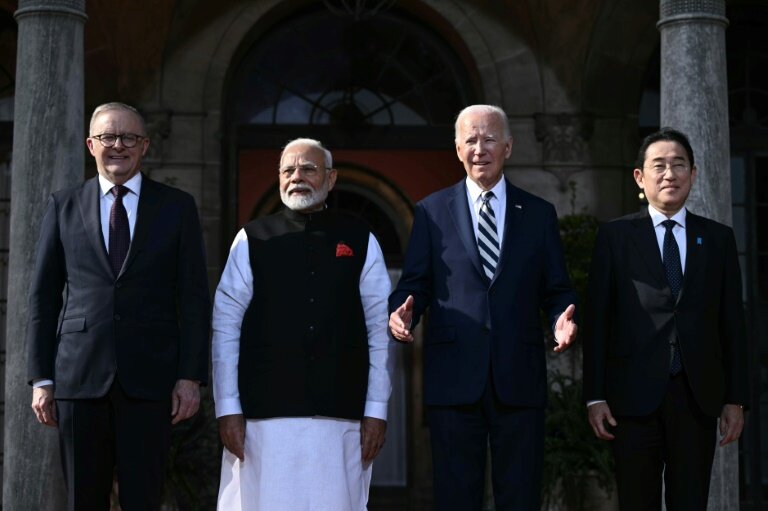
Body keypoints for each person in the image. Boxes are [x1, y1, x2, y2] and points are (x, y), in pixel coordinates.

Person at [389, 104, 578, 510]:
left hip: (519, 377)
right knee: (457, 498)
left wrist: (561, 316)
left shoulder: (540, 214)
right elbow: (414, 284)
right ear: (457, 149)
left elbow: (557, 288)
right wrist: (402, 312)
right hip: (454, 379)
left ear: (508, 146)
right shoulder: (431, 212)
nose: (480, 148)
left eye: (489, 138)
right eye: (471, 140)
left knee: (520, 496)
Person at [27, 102, 211, 510]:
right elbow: (42, 296)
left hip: (151, 381)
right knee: (82, 500)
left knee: (144, 500)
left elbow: (195, 298)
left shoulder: (177, 207)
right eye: (108, 137)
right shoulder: (63, 205)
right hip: (79, 379)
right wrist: (41, 378)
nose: (118, 146)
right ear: (90, 144)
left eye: (129, 137)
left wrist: (190, 377)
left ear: (144, 146)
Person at [212, 138, 392, 511]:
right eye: (288, 170)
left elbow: (378, 330)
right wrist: (227, 407)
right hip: (264, 420)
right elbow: (225, 326)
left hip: (340, 419)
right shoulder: (251, 239)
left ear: (331, 178)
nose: (298, 177)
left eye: (308, 168)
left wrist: (376, 410)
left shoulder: (360, 239)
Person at [582, 127, 749, 510]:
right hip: (632, 397)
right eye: (659, 165)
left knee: (690, 502)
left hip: (697, 397)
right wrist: (595, 395)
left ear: (693, 173)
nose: (669, 174)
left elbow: (732, 323)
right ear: (640, 176)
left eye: (679, 165)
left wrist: (736, 398)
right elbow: (598, 319)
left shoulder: (718, 239)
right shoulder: (615, 237)